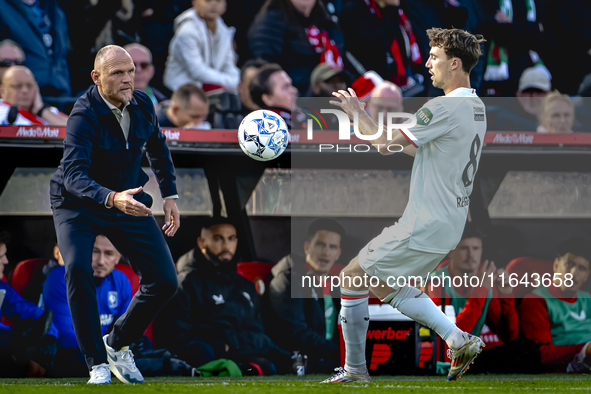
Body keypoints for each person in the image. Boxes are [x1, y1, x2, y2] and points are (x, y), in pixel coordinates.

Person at [324, 28, 487, 383]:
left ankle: (354, 371)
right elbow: (415, 148)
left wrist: (357, 113)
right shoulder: (476, 106)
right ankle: (456, 338)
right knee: (384, 285)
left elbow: (386, 144)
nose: (427, 64)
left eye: (434, 58)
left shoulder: (442, 106)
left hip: (425, 221)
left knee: (351, 276)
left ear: (454, 63)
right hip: (449, 223)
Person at [48, 45, 180, 385]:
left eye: (131, 71)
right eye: (117, 73)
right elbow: (74, 175)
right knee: (77, 268)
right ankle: (96, 363)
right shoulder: (83, 113)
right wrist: (111, 198)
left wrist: (171, 196)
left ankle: (117, 343)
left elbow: (158, 150)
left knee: (165, 280)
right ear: (97, 77)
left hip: (126, 198)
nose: (127, 79)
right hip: (76, 204)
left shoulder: (143, 103)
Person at [155, 218, 289, 375]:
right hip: (205, 356)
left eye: (231, 238)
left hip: (241, 352)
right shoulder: (185, 284)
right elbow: (176, 338)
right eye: (218, 238)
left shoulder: (245, 287)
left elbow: (257, 332)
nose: (226, 245)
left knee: (277, 364)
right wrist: (220, 345)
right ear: (202, 242)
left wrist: (229, 345)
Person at [427, 223, 527, 373]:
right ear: (450, 251)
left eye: (475, 248)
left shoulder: (485, 281)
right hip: (444, 355)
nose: (470, 255)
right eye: (464, 248)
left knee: (526, 351)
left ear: (481, 251)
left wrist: (506, 294)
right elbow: (451, 339)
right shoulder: (436, 282)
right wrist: (481, 289)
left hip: (471, 356)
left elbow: (508, 335)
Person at [42, 235, 132, 377]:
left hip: (108, 349)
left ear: (117, 257)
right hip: (73, 352)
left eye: (108, 254)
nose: (101, 261)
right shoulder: (59, 278)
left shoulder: (121, 280)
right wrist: (109, 347)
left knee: (141, 345)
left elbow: (125, 330)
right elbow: (64, 336)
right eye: (94, 251)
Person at [266, 219, 345, 373]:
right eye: (320, 244)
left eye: (332, 247)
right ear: (307, 247)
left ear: (338, 254)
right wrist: (343, 354)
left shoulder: (335, 286)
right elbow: (297, 335)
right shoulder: (288, 280)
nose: (326, 252)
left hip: (328, 357)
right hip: (302, 361)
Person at [519, 237, 591, 373]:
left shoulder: (588, 299)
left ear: (587, 276)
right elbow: (541, 355)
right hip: (566, 366)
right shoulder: (535, 300)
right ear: (556, 265)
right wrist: (585, 349)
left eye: (581, 268)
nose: (574, 273)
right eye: (569, 264)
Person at [248, 0, 346, 94]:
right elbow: (264, 75)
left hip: (329, 99)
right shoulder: (269, 21)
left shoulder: (327, 19)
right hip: (296, 102)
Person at [0, 230, 59, 378]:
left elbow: (33, 313)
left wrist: (49, 335)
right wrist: (14, 338)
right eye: (0, 257)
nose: (6, 261)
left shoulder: (1, 289)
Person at [164, 0, 240, 93]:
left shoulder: (224, 30)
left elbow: (229, 66)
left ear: (225, 5)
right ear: (194, 3)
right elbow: (197, 71)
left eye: (218, 1)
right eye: (207, 0)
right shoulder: (187, 31)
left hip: (211, 87)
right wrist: (231, 82)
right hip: (180, 90)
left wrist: (234, 82)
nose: (213, 4)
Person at [0, 0, 71, 97]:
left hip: (61, 94)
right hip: (22, 97)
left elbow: (63, 52)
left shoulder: (54, 8)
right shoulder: (4, 8)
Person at [0, 66, 68, 126]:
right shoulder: (2, 111)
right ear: (2, 91)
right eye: (17, 86)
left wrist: (41, 110)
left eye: (30, 86)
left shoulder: (47, 111)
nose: (25, 90)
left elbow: (75, 130)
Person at [492, 67, 551, 132]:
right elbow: (502, 118)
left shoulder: (556, 112)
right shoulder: (509, 112)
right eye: (528, 91)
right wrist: (536, 128)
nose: (533, 96)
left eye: (539, 91)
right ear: (519, 95)